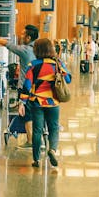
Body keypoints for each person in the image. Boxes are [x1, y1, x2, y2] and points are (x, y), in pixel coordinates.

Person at [20, 38, 71, 170]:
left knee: (37, 130)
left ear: (37, 50)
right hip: (53, 101)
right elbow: (68, 79)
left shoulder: (33, 65)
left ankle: (36, 159)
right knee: (53, 128)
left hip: (36, 102)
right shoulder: (57, 63)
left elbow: (27, 85)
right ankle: (52, 150)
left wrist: (22, 102)